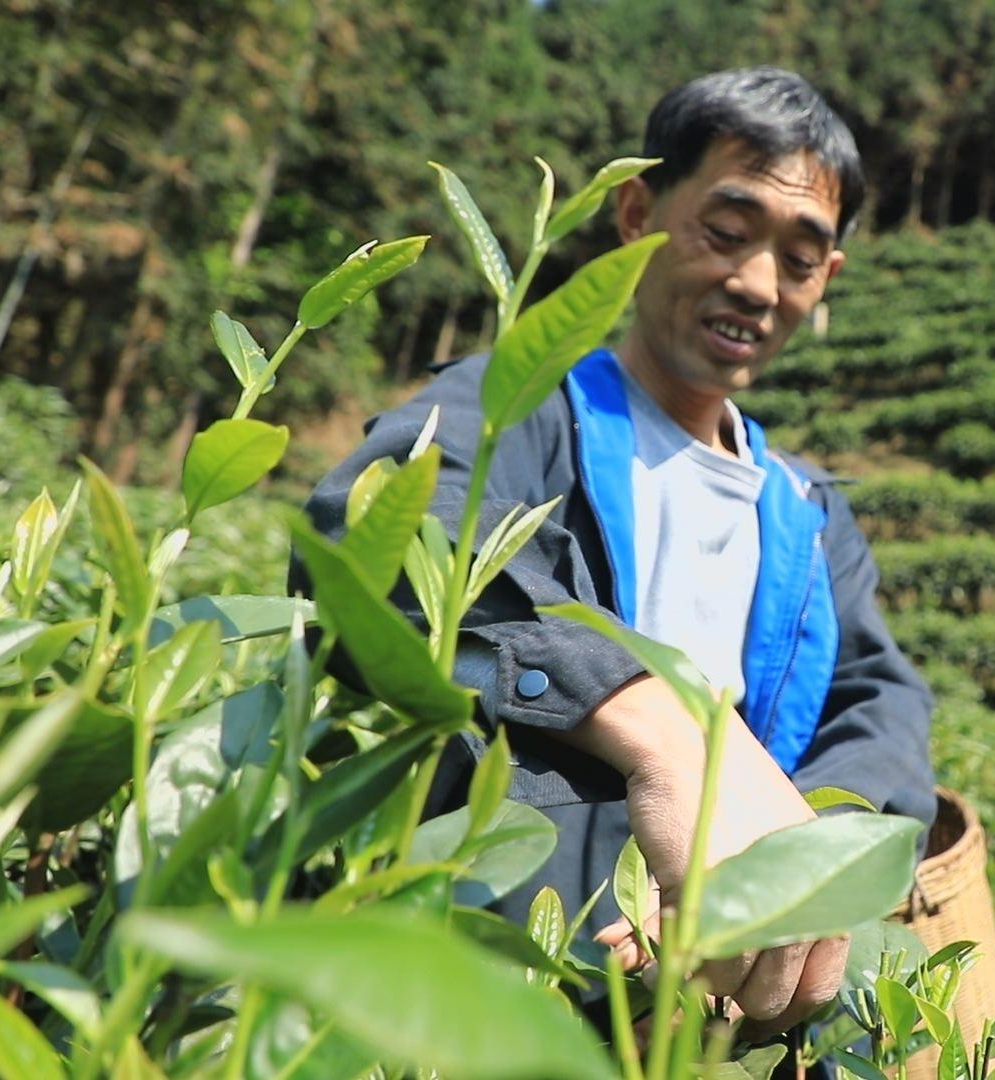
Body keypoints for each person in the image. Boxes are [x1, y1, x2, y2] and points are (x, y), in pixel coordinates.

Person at [299, 67, 935, 1037]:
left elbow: (882, 708)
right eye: (726, 231)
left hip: (703, 1017)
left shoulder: (806, 512)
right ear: (636, 213)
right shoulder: (520, 404)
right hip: (492, 985)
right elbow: (379, 529)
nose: (758, 284)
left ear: (829, 280)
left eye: (800, 259)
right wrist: (667, 733)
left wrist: (782, 871)